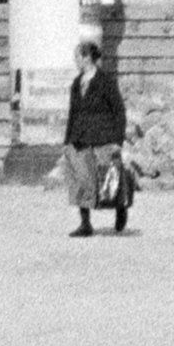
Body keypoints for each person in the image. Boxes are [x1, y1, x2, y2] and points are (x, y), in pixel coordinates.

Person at [63, 36, 132, 236]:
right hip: (80, 138)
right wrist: (67, 141)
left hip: (103, 137)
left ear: (87, 58)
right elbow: (73, 113)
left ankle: (120, 207)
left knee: (108, 180)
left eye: (77, 57)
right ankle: (85, 223)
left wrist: (118, 140)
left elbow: (119, 111)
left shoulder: (105, 81)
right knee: (81, 180)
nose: (75, 61)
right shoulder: (77, 83)